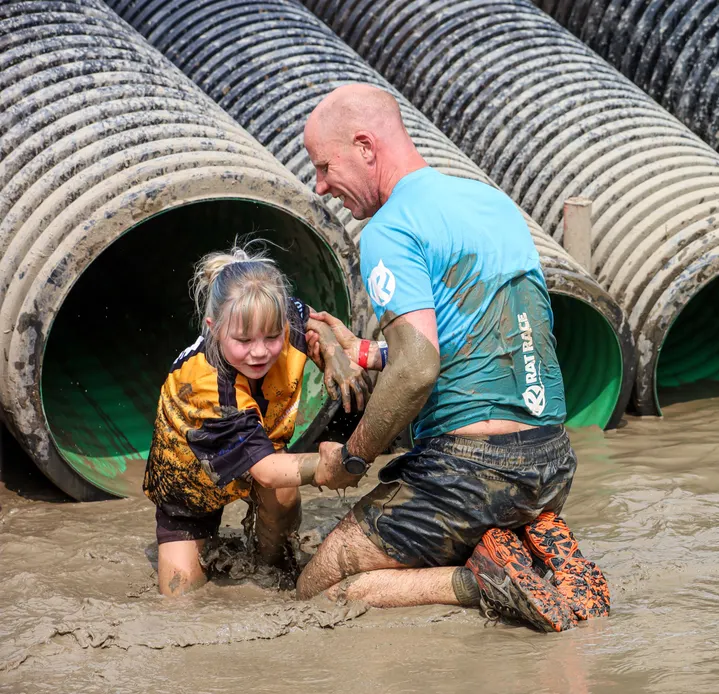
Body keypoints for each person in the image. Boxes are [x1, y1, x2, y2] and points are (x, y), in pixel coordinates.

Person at [295, 83, 609, 632]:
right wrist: (366, 352)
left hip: (470, 470)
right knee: (440, 529)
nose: (320, 186)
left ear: (365, 147)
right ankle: (529, 551)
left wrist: (351, 459)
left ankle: (477, 581)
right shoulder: (491, 203)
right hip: (552, 461)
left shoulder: (389, 229)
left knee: (318, 591)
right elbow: (486, 339)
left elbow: (418, 369)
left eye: (324, 167)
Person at [143, 246, 370, 597]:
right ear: (214, 329)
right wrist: (332, 465)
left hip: (259, 441)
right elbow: (265, 470)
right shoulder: (207, 386)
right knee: (181, 598)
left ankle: (271, 566)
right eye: (244, 340)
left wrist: (331, 348)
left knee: (283, 496)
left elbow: (307, 317)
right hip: (191, 482)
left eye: (272, 337)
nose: (260, 351)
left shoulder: (276, 315)